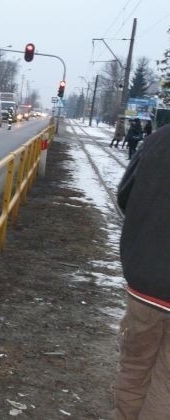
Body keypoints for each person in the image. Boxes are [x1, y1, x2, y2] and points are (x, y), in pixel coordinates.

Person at [114, 123, 170, 420]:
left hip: (144, 284)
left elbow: (124, 196)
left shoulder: (158, 139)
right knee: (167, 384)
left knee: (134, 368)